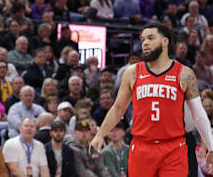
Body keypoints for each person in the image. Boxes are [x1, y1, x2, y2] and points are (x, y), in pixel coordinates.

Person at [90, 22, 213, 176]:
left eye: (150, 38)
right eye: (142, 39)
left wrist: (211, 145)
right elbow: (118, 108)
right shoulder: (132, 72)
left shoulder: (185, 74)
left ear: (165, 41)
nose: (145, 43)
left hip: (173, 148)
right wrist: (100, 134)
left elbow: (199, 114)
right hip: (142, 147)